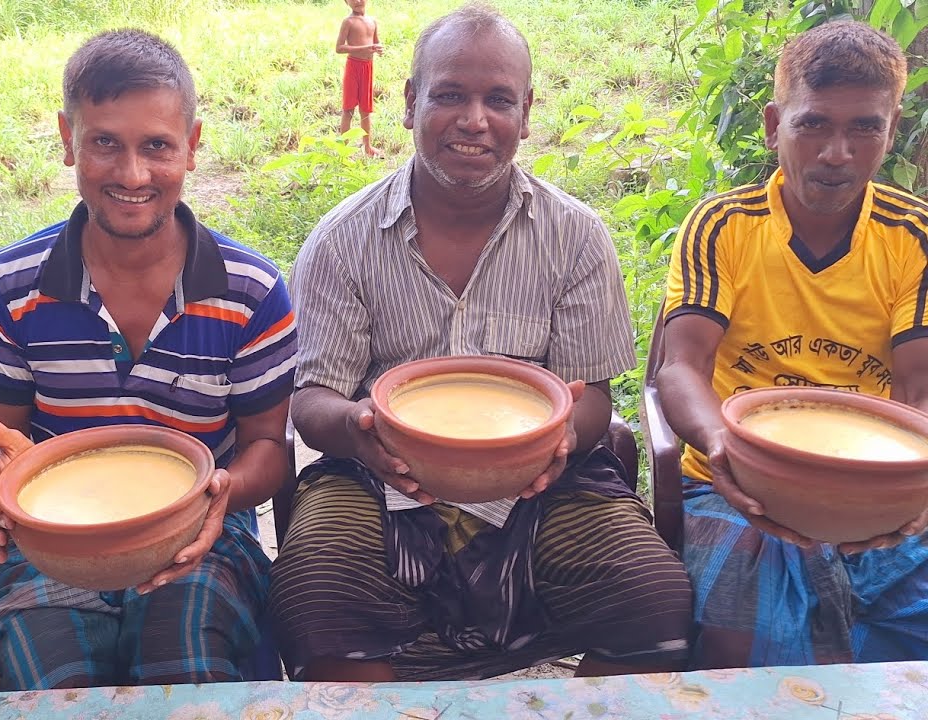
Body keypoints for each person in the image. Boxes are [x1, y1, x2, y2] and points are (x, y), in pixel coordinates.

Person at [270, 2, 692, 682]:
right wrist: (358, 427)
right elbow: (313, 398)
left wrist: (560, 440)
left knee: (654, 603)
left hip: (541, 481)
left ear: (525, 113)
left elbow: (591, 396)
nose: (474, 120)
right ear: (409, 103)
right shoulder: (342, 240)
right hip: (379, 475)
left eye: (498, 99)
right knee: (318, 598)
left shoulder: (576, 237)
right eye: (449, 96)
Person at [0, 29, 297, 690]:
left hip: (199, 534)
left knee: (183, 668)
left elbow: (268, 447)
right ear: (68, 140)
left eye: (157, 146)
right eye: (105, 143)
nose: (133, 174)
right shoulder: (8, 287)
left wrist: (220, 494)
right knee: (55, 684)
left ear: (192, 146)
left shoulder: (251, 293)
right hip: (52, 541)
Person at [658, 20, 928, 668]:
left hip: (873, 480)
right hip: (734, 482)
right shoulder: (723, 226)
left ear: (891, 130)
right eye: (813, 125)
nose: (837, 153)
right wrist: (724, 446)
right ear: (774, 124)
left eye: (864, 128)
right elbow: (682, 366)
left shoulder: (913, 237)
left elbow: (918, 390)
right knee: (743, 635)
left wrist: (910, 488)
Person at [337, 0, 383, 157]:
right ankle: (344, 151)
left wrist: (378, 48)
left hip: (368, 67)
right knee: (348, 109)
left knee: (365, 109)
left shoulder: (372, 21)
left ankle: (368, 147)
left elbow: (375, 42)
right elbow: (339, 48)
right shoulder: (348, 22)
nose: (357, 1)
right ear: (346, 2)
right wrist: (365, 48)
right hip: (353, 67)